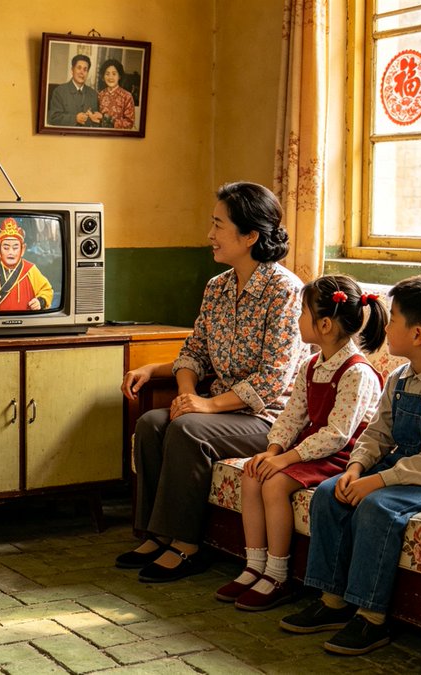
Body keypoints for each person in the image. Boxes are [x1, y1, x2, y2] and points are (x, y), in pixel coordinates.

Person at [279, 274, 421, 657]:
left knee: (378, 508)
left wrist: (377, 484)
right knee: (329, 495)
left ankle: (371, 617)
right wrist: (357, 469)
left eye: (394, 318)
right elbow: (377, 434)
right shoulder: (400, 377)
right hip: (406, 467)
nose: (386, 325)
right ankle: (332, 601)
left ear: (417, 335)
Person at [117, 181, 306, 583]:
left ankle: (186, 547)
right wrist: (187, 395)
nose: (210, 235)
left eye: (219, 225)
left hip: (270, 419)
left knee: (189, 430)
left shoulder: (286, 292)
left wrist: (204, 407)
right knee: (153, 423)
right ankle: (158, 533)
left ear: (250, 235)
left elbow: (273, 380)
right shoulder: (216, 288)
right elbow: (193, 353)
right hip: (219, 409)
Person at [216, 275, 387, 611]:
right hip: (312, 447)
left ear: (324, 324)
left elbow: (338, 434)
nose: (296, 320)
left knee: (275, 484)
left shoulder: (357, 372)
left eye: (302, 313)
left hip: (344, 455)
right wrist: (274, 451)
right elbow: (292, 418)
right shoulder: (311, 365)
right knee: (253, 473)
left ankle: (278, 575)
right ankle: (254, 565)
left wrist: (285, 461)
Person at [0, 217, 54, 312]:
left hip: (27, 324)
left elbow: (46, 291)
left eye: (15, 247)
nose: (10, 252)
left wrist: (40, 302)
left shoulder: (31, 269)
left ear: (23, 249)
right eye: (6, 248)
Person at [47, 53, 102, 126]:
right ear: (72, 70)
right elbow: (52, 118)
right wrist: (75, 118)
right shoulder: (59, 91)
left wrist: (97, 119)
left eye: (85, 70)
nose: (82, 72)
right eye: (79, 68)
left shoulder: (93, 94)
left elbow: (96, 123)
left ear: (87, 73)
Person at [97, 59, 135, 129]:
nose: (110, 77)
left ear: (119, 76)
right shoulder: (100, 95)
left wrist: (107, 120)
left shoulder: (127, 96)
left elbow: (129, 123)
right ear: (103, 77)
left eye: (114, 74)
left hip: (119, 137)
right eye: (107, 74)